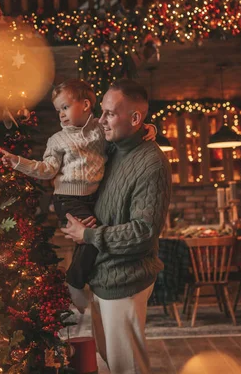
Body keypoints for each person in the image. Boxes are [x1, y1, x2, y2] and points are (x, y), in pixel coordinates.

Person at [0, 79, 156, 314]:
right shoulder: (57, 140)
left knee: (93, 236)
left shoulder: (99, 129)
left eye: (65, 107)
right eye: (58, 110)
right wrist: (18, 163)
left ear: (85, 105)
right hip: (67, 199)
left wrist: (149, 128)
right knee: (92, 237)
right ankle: (73, 281)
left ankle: (83, 280)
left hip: (92, 197)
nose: (61, 115)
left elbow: (123, 134)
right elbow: (47, 169)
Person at [61, 79, 172, 374]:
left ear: (135, 119)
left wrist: (88, 235)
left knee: (128, 367)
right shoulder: (111, 150)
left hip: (125, 280)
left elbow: (144, 233)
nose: (101, 120)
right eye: (101, 111)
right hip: (101, 274)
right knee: (108, 362)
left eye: (110, 113)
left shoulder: (152, 164)